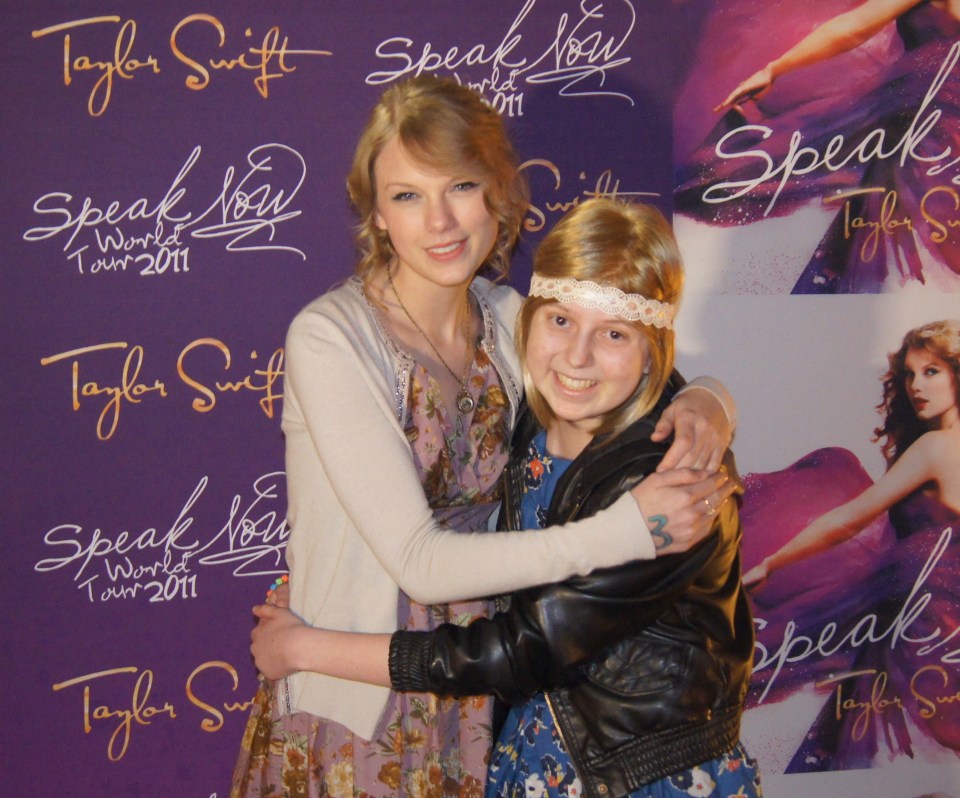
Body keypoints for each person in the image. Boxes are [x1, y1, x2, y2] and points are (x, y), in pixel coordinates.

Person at [231, 76, 739, 797]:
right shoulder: (330, 336)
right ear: (375, 214)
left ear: (497, 196)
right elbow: (419, 564)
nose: (439, 221)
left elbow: (627, 361)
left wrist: (712, 403)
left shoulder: (508, 318)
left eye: (460, 186)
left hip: (494, 684)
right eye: (407, 195)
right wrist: (628, 530)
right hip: (367, 688)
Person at [739, 319, 960, 771]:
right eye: (910, 374)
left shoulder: (938, 447)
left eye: (932, 371)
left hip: (918, 621)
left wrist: (775, 562)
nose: (916, 385)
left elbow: (846, 520)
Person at [675, 0, 960, 293]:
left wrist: (775, 69)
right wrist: (775, 69)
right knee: (886, 212)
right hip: (919, 115)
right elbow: (851, 29)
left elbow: (853, 29)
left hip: (933, 116)